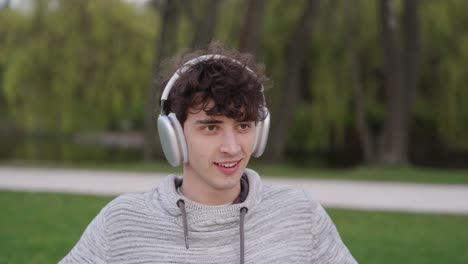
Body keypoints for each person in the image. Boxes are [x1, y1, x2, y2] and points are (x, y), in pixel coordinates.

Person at [59, 43, 357, 264]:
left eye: (243, 125)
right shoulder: (122, 222)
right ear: (173, 135)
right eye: (211, 128)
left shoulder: (300, 214)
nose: (232, 147)